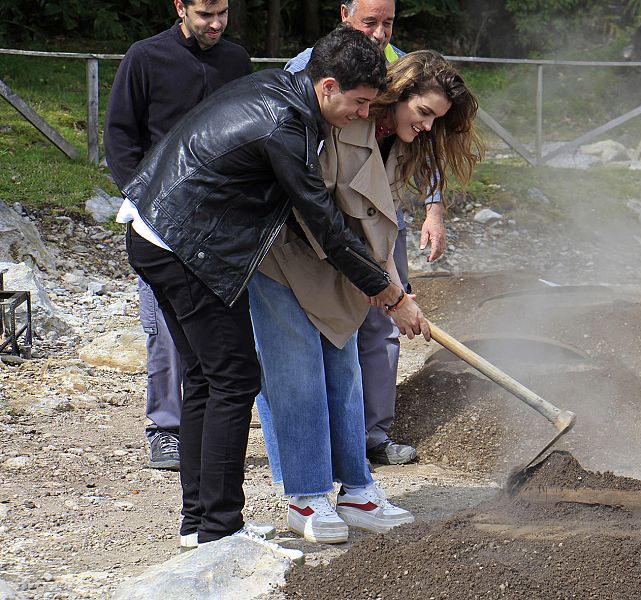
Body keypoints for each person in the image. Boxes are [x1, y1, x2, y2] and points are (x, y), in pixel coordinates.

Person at [120, 26, 416, 558]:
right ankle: (220, 530)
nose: (363, 115)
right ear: (328, 87)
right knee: (233, 378)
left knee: (210, 379)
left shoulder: (281, 90)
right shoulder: (284, 124)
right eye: (360, 103)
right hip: (180, 244)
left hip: (157, 229)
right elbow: (325, 225)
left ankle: (202, 523)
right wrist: (391, 294)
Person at [251, 49, 482, 543]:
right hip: (288, 256)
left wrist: (391, 288)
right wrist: (389, 291)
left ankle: (356, 488)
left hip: (342, 267)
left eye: (435, 120)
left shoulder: (398, 142)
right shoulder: (345, 123)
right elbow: (322, 214)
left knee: (345, 371)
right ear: (398, 95)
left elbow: (377, 220)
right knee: (298, 376)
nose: (426, 127)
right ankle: (306, 497)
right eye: (422, 112)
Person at [284, 0, 448, 466]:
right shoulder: (313, 68)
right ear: (344, 14)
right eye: (369, 22)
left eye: (387, 23)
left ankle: (372, 434)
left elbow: (424, 141)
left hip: (381, 209)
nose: (379, 33)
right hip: (326, 216)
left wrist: (434, 206)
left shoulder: (405, 69)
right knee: (324, 324)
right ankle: (324, 438)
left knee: (382, 323)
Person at [104, 0, 252, 471]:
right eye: (206, 14)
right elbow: (120, 137)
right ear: (180, 7)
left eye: (223, 13)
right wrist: (146, 202)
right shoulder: (144, 58)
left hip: (220, 226)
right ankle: (164, 430)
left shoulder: (236, 61)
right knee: (165, 333)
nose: (215, 24)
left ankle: (206, 438)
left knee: (212, 347)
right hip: (159, 226)